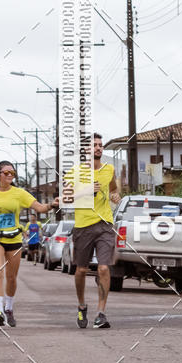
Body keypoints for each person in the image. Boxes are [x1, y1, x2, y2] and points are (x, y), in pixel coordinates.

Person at [0, 161, 59, 326]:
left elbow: (40, 208)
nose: (10, 175)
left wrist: (51, 205)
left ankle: (9, 308)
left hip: (14, 239)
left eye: (12, 173)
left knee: (11, 278)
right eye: (6, 172)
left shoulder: (20, 193)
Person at [65, 133, 120, 329]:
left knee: (104, 268)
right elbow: (66, 198)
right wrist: (86, 191)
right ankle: (81, 305)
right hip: (83, 226)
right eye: (94, 145)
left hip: (105, 224)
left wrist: (115, 196)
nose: (98, 148)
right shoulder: (75, 172)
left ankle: (101, 313)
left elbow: (114, 188)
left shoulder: (109, 169)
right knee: (81, 270)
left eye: (100, 145)